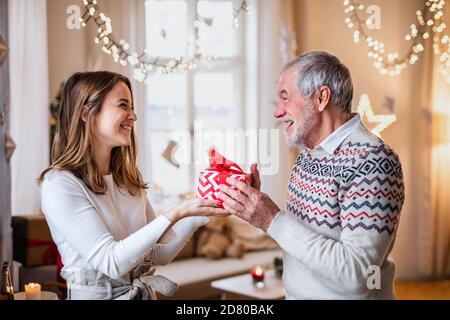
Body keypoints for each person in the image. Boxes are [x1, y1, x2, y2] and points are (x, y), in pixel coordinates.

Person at [219, 51, 405, 299]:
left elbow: (358, 275)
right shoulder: (308, 154)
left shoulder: (373, 160)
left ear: (321, 97)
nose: (277, 112)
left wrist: (272, 219)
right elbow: (304, 242)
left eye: (285, 98)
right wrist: (257, 212)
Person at [38, 71, 228, 300]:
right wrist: (177, 212)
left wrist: (205, 207)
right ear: (86, 113)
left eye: (132, 106)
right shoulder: (59, 183)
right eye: (123, 105)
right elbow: (111, 262)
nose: (133, 116)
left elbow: (159, 254)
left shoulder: (127, 179)